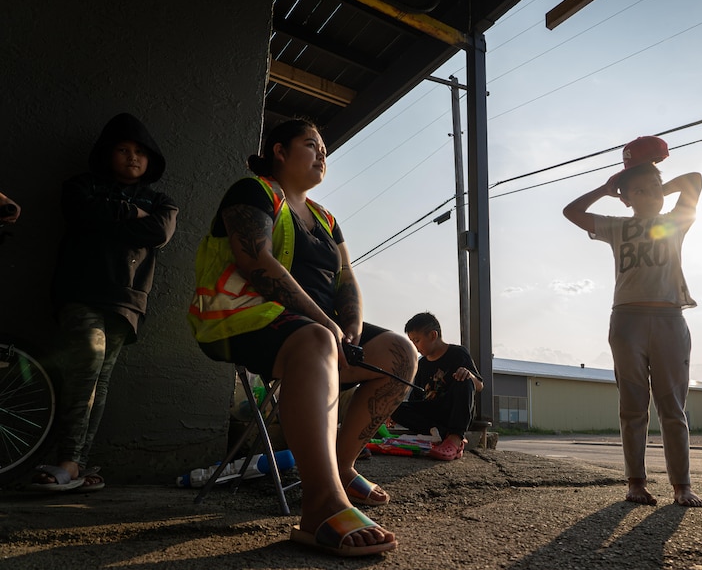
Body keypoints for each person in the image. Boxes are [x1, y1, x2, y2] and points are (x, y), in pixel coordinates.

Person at [188, 117, 416, 557]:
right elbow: (256, 262)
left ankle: (342, 467)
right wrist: (327, 326)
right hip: (241, 319)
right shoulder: (254, 190)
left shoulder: (327, 218)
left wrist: (348, 323)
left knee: (400, 354)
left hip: (316, 331)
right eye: (311, 145)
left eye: (325, 150)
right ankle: (321, 504)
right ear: (279, 150)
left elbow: (347, 276)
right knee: (316, 339)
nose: (322, 155)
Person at [29, 112, 178, 493]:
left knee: (101, 377)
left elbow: (159, 231)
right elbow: (82, 213)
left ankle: (75, 463)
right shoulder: (80, 186)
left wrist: (116, 215)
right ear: (107, 154)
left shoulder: (161, 201)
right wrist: (131, 214)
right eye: (123, 150)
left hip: (127, 300)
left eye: (140, 152)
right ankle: (69, 460)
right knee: (89, 362)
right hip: (79, 292)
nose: (132, 158)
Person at [562, 146, 702, 507]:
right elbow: (571, 212)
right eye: (638, 192)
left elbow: (694, 181)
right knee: (632, 405)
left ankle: (681, 486)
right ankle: (635, 482)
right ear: (625, 199)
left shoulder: (675, 221)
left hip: (671, 319)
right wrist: (608, 189)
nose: (650, 197)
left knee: (673, 406)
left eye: (653, 190)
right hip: (627, 320)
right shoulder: (617, 226)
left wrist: (650, 179)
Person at [388, 312, 482, 460]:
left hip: (452, 410)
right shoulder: (421, 364)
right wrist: (396, 414)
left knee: (464, 379)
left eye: (417, 340)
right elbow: (416, 399)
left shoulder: (458, 353)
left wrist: (469, 375)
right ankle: (443, 434)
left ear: (433, 335)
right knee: (393, 407)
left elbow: (479, 385)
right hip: (431, 414)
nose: (415, 346)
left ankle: (455, 439)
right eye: (411, 341)